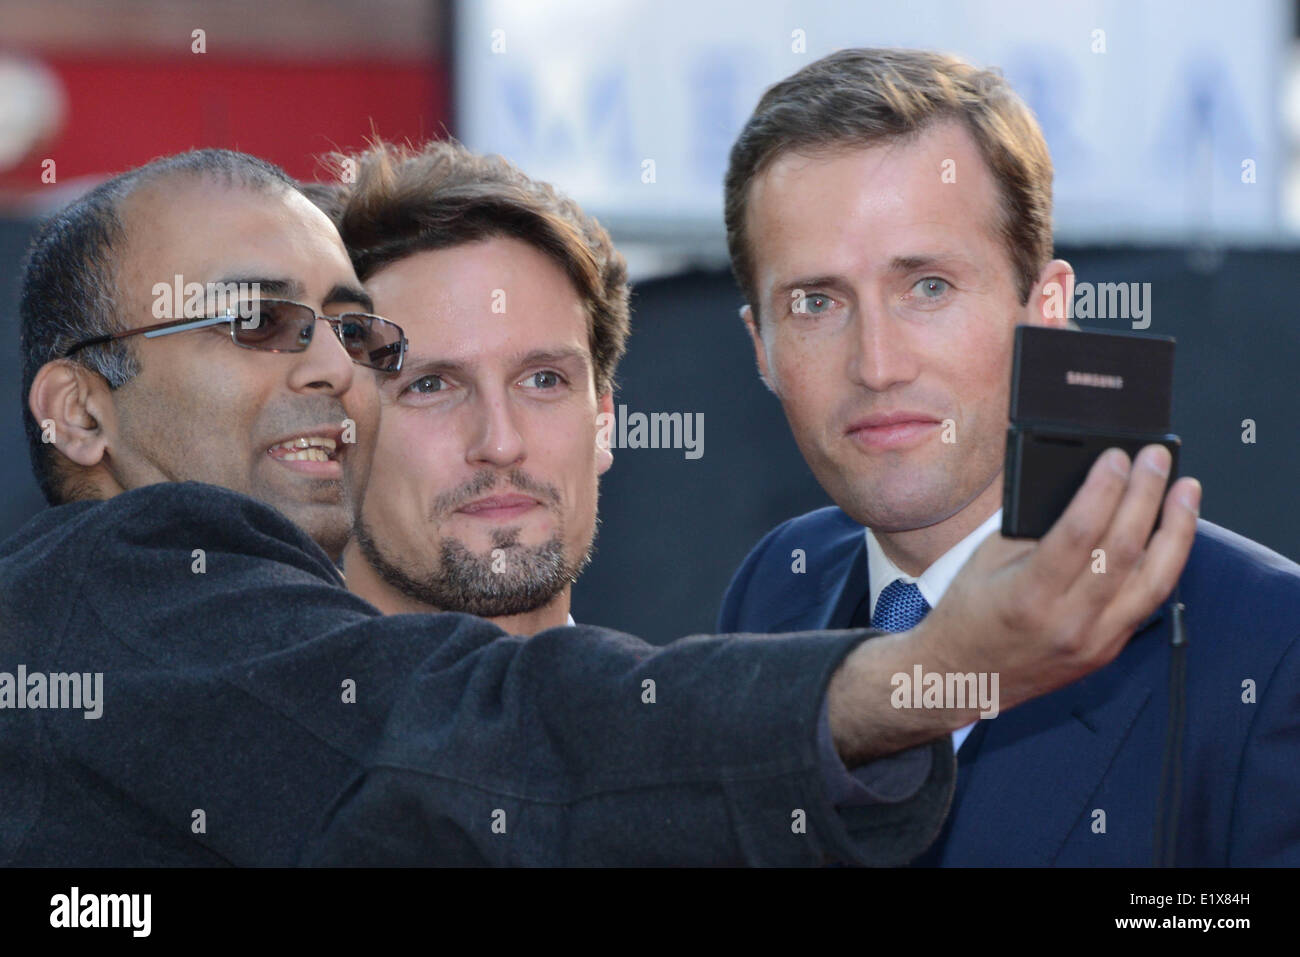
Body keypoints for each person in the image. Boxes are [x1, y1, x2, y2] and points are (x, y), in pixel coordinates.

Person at [0, 148, 1194, 867]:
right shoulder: (123, 588)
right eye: (256, 320)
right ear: (77, 411)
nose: (326, 369)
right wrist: (918, 672)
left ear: (612, 412)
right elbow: (460, 740)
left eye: (351, 332)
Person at [717, 47, 1300, 865]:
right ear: (762, 348)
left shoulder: (1269, 646)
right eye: (815, 302)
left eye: (928, 287)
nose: (877, 364)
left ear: (1047, 310)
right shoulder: (776, 589)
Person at [306, 140, 625, 637]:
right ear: (334, 437)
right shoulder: (239, 713)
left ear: (603, 421)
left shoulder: (674, 712)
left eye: (544, 380)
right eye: (429, 386)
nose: (501, 444)